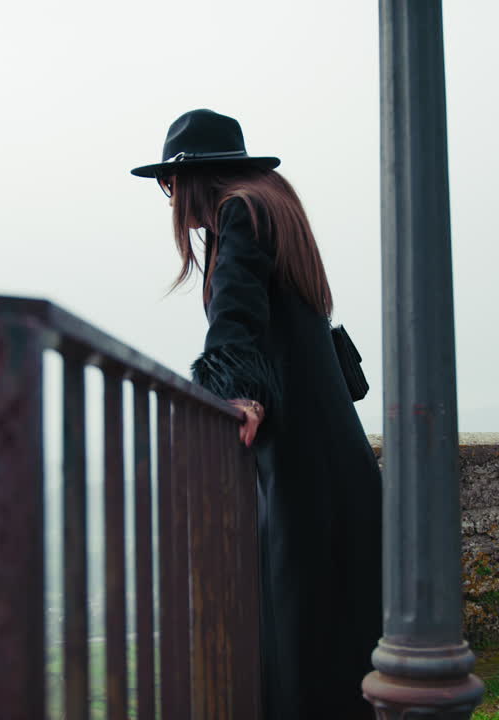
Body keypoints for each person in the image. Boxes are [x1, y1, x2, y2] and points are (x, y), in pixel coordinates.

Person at [131, 109, 382, 720]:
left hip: (297, 448)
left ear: (195, 178)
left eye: (170, 183)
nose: (169, 197)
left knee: (297, 607)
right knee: (334, 603)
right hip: (329, 444)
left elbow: (236, 314)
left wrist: (232, 388)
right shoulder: (274, 206)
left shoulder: (240, 212)